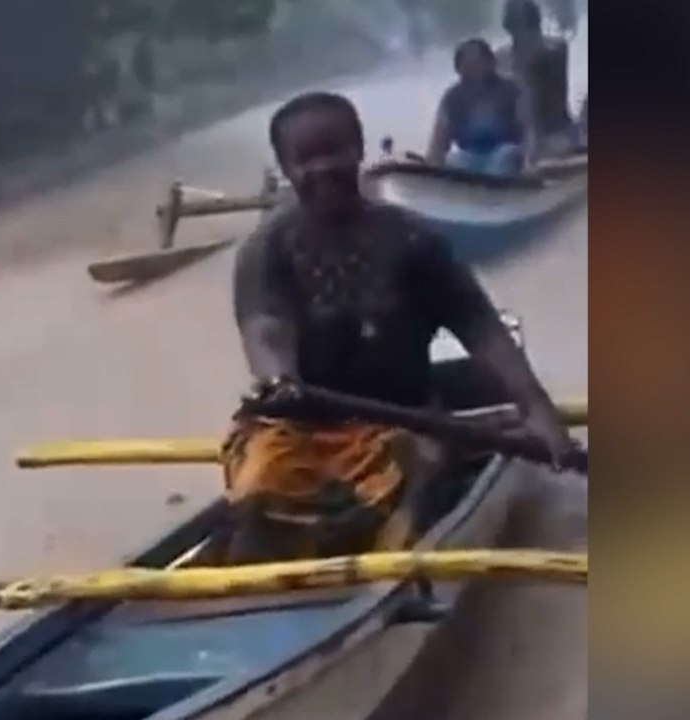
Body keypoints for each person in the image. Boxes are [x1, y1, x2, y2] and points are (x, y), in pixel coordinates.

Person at [212, 92, 576, 565]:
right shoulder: (267, 248)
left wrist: (538, 410)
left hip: (402, 424)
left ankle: (387, 571)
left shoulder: (413, 239)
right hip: (301, 429)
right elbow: (265, 330)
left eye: (334, 152)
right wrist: (278, 379)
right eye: (306, 159)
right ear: (285, 166)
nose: (322, 169)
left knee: (416, 481)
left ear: (359, 149)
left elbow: (480, 328)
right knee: (260, 482)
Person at [425, 38, 525, 176]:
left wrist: (531, 164)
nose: (474, 69)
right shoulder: (453, 97)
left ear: (491, 63)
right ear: (458, 69)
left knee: (506, 155)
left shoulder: (511, 91)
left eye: (478, 63)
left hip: (505, 153)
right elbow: (439, 141)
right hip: (470, 157)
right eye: (467, 65)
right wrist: (432, 168)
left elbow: (529, 130)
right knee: (452, 159)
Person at [502, 0, 579, 166]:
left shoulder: (554, 49)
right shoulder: (502, 57)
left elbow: (531, 77)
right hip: (515, 139)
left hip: (555, 131)